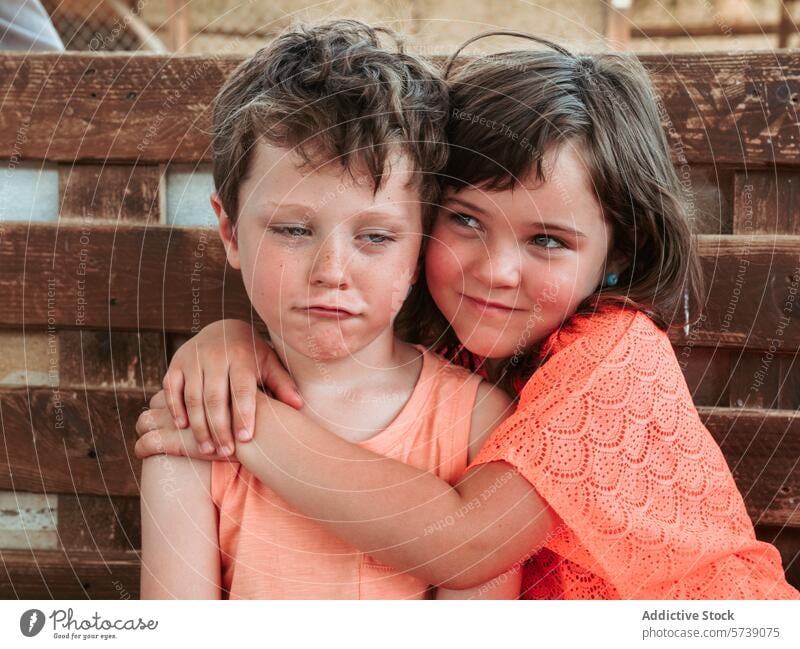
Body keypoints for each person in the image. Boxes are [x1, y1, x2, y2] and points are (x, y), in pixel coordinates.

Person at [138, 33, 800, 599]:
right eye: (465, 220)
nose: (495, 270)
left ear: (617, 251)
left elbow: (462, 541)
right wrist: (223, 340)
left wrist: (234, 427)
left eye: (547, 240)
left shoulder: (616, 359)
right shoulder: (467, 349)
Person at [138, 19, 521, 600]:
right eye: (293, 229)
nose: (330, 271)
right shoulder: (196, 420)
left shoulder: (474, 424)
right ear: (230, 231)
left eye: (376, 237)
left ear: (421, 245)